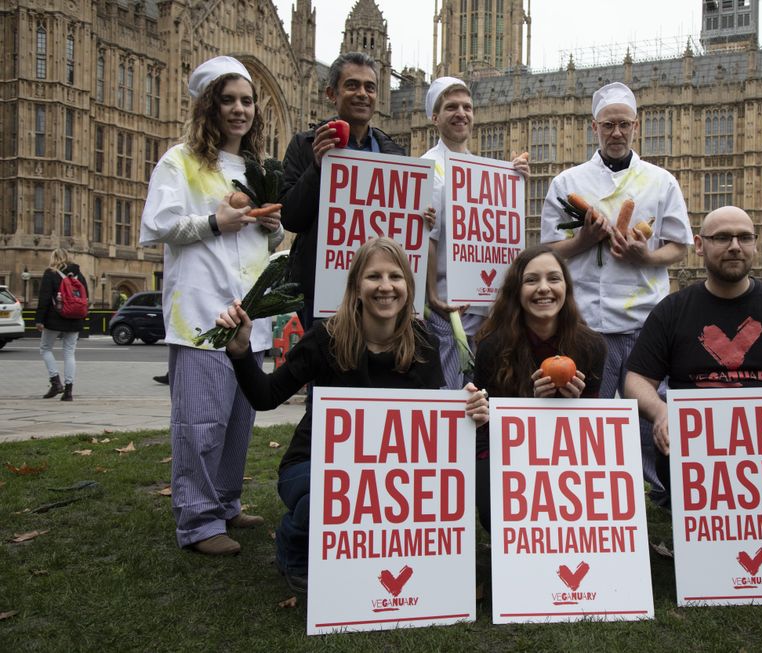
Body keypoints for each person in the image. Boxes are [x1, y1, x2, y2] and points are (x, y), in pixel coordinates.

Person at [215, 238, 489, 593]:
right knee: (328, 499)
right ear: (357, 287)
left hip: (389, 471)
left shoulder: (424, 343)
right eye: (374, 276)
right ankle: (293, 544)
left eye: (395, 276)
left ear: (408, 286)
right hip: (314, 465)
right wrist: (239, 353)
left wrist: (466, 409)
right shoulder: (325, 337)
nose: (385, 286)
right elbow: (266, 397)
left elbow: (431, 425)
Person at [139, 56, 285, 556]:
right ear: (209, 107)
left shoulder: (255, 169)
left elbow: (264, 246)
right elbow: (159, 225)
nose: (240, 109)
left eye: (247, 101)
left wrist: (272, 229)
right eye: (229, 101)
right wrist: (213, 222)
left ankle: (225, 502)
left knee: (240, 419)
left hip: (249, 317)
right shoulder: (179, 161)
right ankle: (198, 521)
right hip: (201, 314)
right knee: (201, 422)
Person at [539, 81, 692, 496]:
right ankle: (587, 500)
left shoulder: (661, 182)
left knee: (653, 424)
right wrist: (585, 241)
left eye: (624, 124)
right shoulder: (567, 182)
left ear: (636, 126)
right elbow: (550, 249)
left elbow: (679, 244)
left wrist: (645, 257)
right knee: (586, 422)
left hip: (647, 324)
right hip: (588, 323)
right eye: (609, 124)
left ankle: (666, 497)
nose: (617, 132)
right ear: (595, 127)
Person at [624, 206, 762, 495]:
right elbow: (637, 380)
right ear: (699, 246)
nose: (735, 247)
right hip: (693, 458)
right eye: (722, 237)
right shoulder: (672, 311)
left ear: (755, 244)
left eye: (744, 238)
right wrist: (660, 411)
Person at [472, 245, 606, 532]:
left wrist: (576, 404)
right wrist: (530, 404)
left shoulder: (592, 345)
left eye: (553, 279)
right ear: (516, 291)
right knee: (492, 506)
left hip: (567, 448)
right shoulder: (492, 346)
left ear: (566, 288)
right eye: (531, 280)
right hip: (504, 447)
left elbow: (594, 428)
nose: (543, 288)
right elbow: (487, 426)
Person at [280, 52, 406, 330]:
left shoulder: (395, 154)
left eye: (369, 87)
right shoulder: (305, 145)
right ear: (331, 93)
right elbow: (291, 217)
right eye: (352, 85)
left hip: (379, 293)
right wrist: (316, 166)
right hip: (324, 294)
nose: (362, 94)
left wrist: (422, 218)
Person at [421, 76, 530, 387]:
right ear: (435, 117)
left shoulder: (482, 168)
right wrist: (432, 296)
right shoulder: (429, 166)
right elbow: (428, 237)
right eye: (452, 107)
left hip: (488, 308)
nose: (461, 113)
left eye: (467, 107)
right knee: (453, 391)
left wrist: (514, 179)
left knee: (488, 390)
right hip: (449, 305)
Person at [35, 248, 88, 401]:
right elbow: (86, 298)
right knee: (69, 353)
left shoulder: (50, 273)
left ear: (54, 258)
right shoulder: (79, 274)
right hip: (75, 318)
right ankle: (68, 391)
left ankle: (55, 382)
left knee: (45, 348)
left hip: (54, 318)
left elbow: (44, 298)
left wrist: (39, 320)